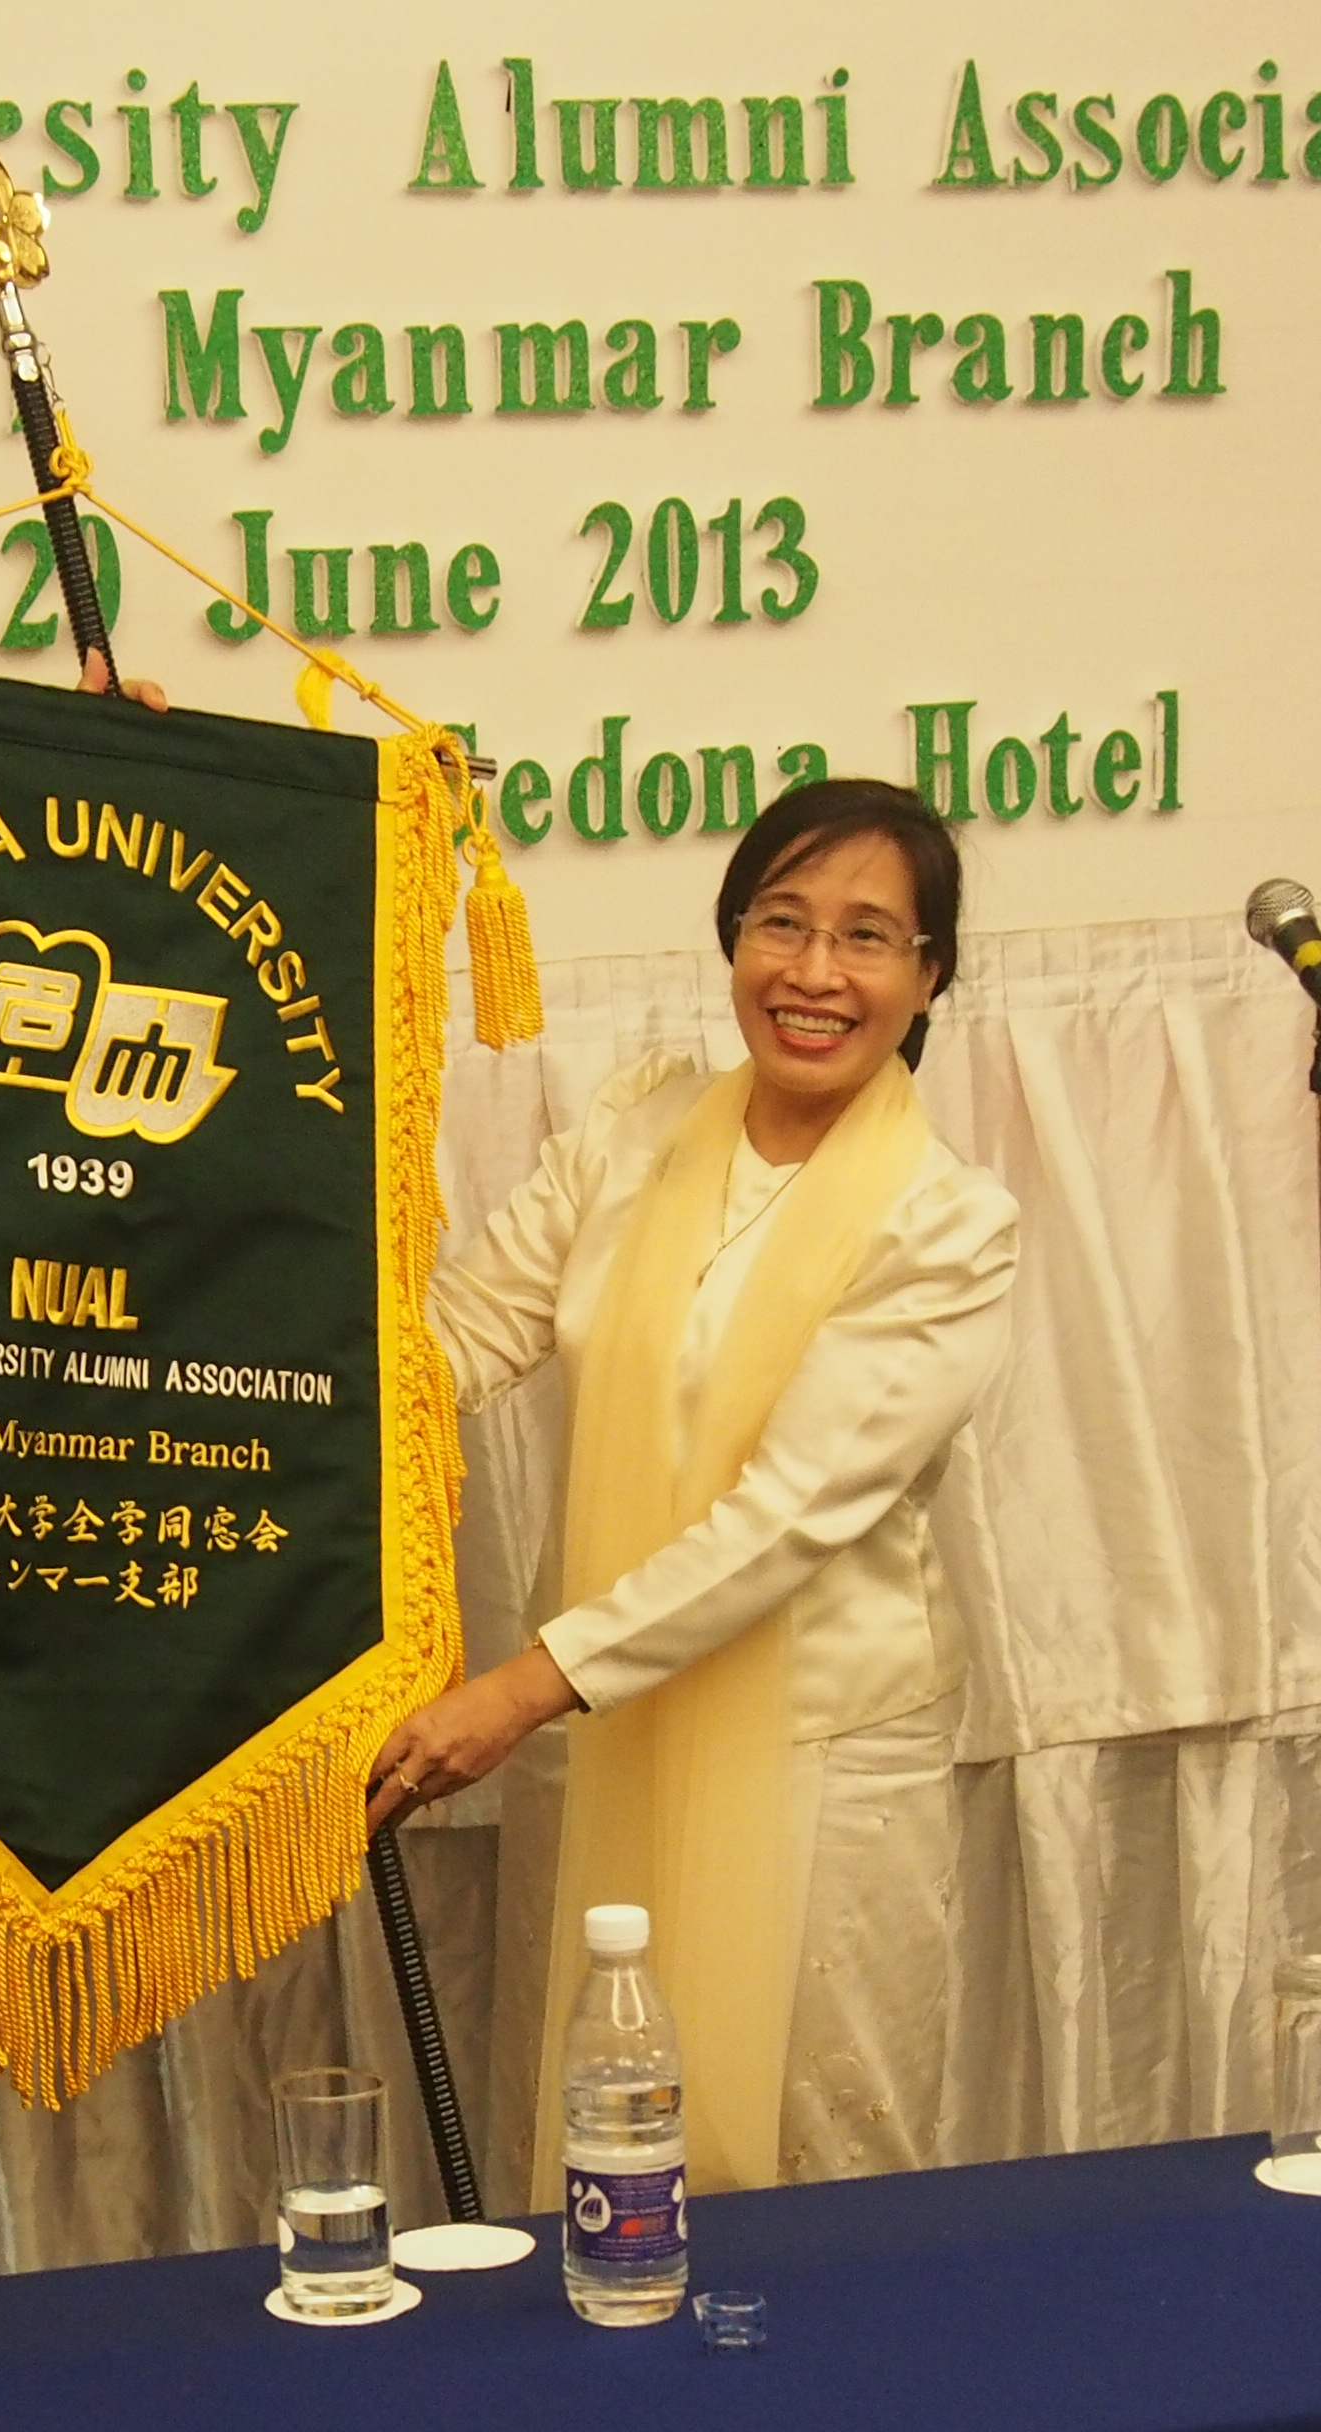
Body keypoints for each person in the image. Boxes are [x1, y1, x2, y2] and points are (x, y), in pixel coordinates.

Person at [365, 778, 1018, 2195]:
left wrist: (521, 1686)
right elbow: (461, 1342)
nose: (815, 974)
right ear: (732, 943)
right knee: (609, 2122)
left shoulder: (947, 1225)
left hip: (826, 1755)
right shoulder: (634, 1134)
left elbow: (784, 1519)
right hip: (608, 1733)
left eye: (867, 936)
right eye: (781, 923)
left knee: (822, 2145)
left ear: (929, 975)